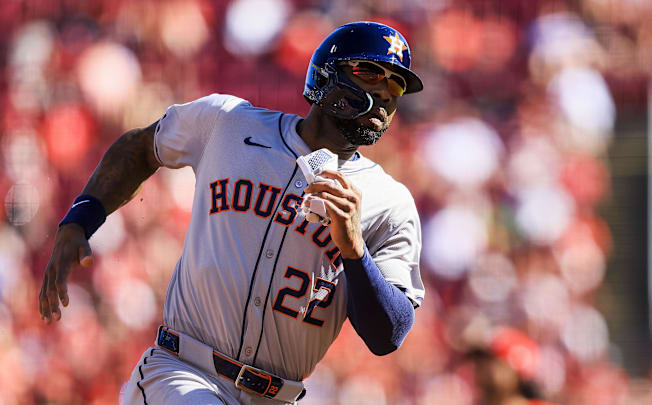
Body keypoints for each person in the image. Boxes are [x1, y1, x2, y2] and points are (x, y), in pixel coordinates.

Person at [39, 21, 425, 404]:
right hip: (182, 372)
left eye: (396, 84)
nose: (385, 91)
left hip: (278, 396)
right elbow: (141, 147)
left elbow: (387, 336)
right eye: (371, 72)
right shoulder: (228, 123)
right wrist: (79, 219)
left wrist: (355, 249)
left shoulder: (389, 203)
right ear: (328, 72)